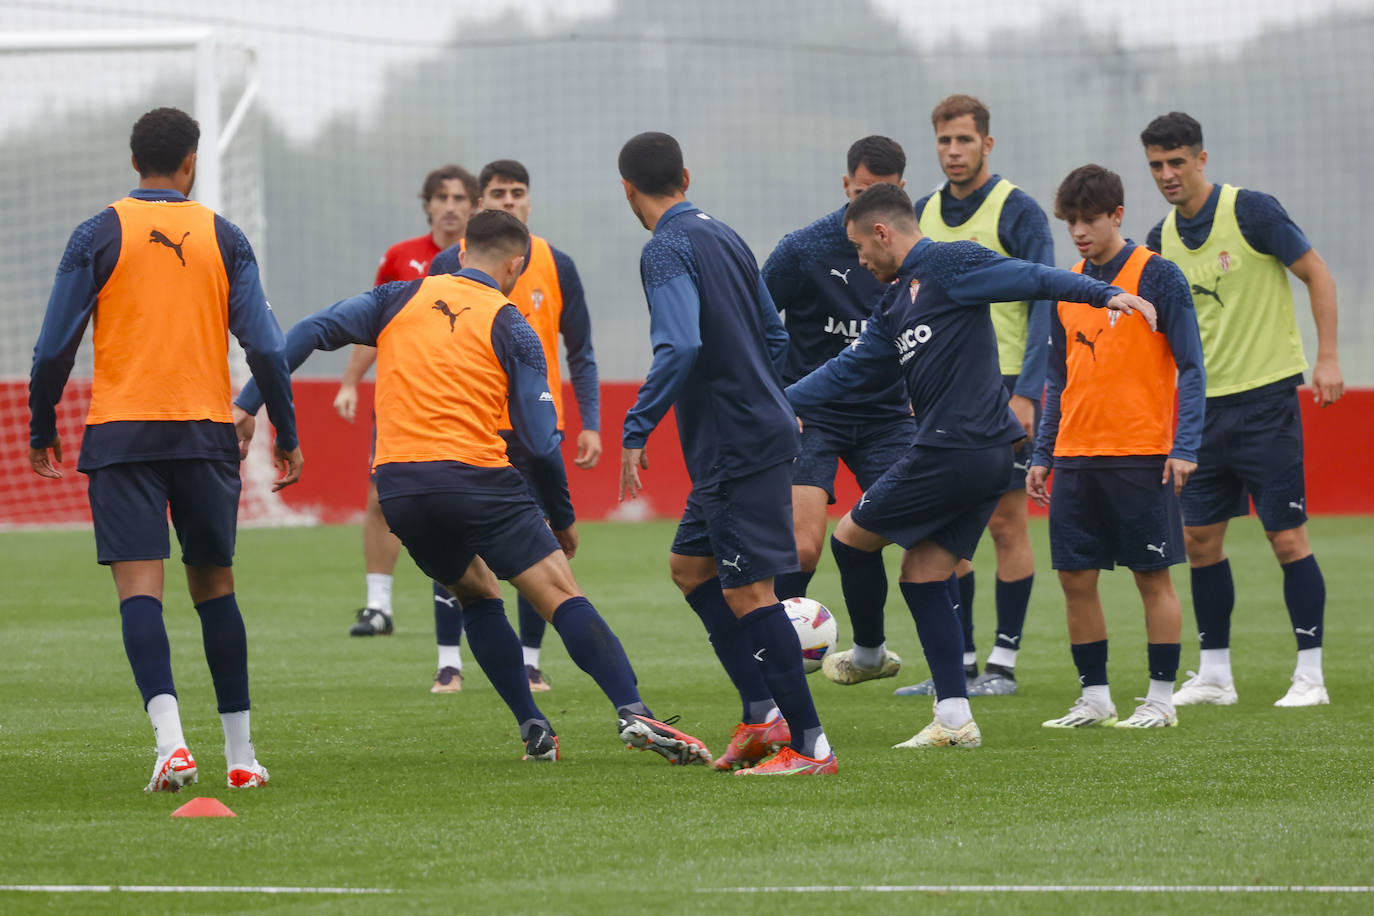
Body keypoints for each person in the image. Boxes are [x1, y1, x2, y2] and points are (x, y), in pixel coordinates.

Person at [234, 209, 710, 765]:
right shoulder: (512, 324)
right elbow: (537, 441)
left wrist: (249, 403)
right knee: (560, 594)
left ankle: (533, 727)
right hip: (478, 478)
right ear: (515, 265)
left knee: (476, 594)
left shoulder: (399, 296)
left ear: (461, 253)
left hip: (400, 489)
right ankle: (633, 710)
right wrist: (559, 515)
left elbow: (309, 331)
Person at [786, 182, 1155, 749]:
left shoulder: (951, 261)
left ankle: (867, 652)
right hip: (982, 459)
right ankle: (955, 721)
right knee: (923, 575)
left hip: (954, 449)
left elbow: (1032, 276)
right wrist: (780, 403)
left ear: (883, 233)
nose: (860, 260)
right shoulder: (891, 305)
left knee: (849, 539)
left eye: (862, 248)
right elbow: (848, 371)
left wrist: (1101, 294)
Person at [27, 107, 302, 792]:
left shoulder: (97, 231)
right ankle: (241, 759)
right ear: (192, 162)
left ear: (133, 162)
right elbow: (265, 345)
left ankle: (173, 747)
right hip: (206, 431)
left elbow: (52, 346)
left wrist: (40, 424)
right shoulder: (224, 235)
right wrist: (286, 434)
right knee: (214, 586)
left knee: (139, 591)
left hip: (122, 433)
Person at [617, 131, 835, 775]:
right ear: (685, 176)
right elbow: (774, 330)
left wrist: (638, 426)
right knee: (692, 569)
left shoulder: (665, 248)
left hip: (738, 443)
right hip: (745, 436)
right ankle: (763, 713)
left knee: (752, 594)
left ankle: (811, 745)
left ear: (628, 188)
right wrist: (765, 393)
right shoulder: (726, 234)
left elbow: (679, 346)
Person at [1140, 112, 1345, 707]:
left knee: (1287, 537)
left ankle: (1310, 675)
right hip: (1203, 414)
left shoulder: (1251, 211)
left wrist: (1326, 357)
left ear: (1201, 159)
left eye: (1177, 161)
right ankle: (1215, 676)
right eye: (1156, 164)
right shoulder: (1160, 241)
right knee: (1201, 541)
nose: (1168, 174)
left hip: (1266, 401)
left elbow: (1318, 274)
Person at [1029, 164, 1205, 729]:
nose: (1079, 231)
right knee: (1074, 579)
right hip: (1076, 457)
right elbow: (1057, 379)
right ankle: (1095, 697)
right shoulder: (1066, 284)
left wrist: (1185, 445)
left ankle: (1160, 700)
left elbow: (1193, 368)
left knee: (1152, 578)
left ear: (1118, 216)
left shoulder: (1158, 276)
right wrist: (1042, 452)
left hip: (1142, 455)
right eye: (1071, 222)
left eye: (1089, 220)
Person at [898, 94, 1054, 698]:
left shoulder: (1019, 211)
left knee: (1007, 524)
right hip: (942, 395)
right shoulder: (922, 212)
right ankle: (958, 664)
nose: (954, 151)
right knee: (947, 528)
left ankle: (1003, 664)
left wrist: (1030, 392)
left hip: (1007, 387)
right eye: (944, 141)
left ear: (987, 144)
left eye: (965, 140)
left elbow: (1043, 299)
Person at [429, 159, 602, 693]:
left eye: (518, 192)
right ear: (483, 201)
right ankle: (448, 661)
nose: (509, 201)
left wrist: (591, 423)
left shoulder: (557, 264)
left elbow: (582, 350)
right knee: (453, 542)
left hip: (531, 429)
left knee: (537, 542)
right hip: (467, 422)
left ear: (530, 200)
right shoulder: (445, 262)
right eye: (498, 192)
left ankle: (529, 660)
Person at [758, 136, 915, 688]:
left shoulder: (912, 254)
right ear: (846, 186)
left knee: (928, 539)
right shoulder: (802, 249)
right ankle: (778, 670)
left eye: (882, 195)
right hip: (812, 415)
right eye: (861, 191)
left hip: (888, 416)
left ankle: (940, 663)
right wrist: (780, 397)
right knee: (803, 544)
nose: (870, 207)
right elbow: (753, 321)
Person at [332, 164, 479, 695]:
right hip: (400, 398)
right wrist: (351, 380)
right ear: (427, 204)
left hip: (461, 401)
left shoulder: (484, 257)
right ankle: (379, 606)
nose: (450, 206)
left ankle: (477, 614)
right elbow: (372, 321)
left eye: (460, 197)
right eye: (441, 196)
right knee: (380, 496)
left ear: (474, 204)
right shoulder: (401, 257)